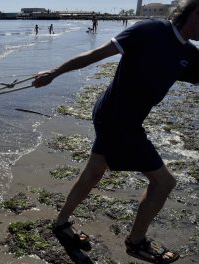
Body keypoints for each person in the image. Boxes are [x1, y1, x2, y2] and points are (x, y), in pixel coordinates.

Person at [32, 0, 199, 262]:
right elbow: (94, 55)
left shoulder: (189, 54)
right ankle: (136, 242)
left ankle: (61, 222)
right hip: (117, 120)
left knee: (94, 171)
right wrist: (54, 72)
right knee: (164, 183)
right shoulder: (149, 30)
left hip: (125, 121)